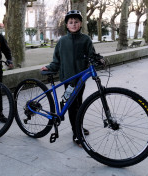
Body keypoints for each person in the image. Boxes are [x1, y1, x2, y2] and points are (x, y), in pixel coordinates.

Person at [41, 10, 96, 145]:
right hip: (68, 80)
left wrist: (97, 60)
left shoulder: (85, 39)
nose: (73, 24)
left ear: (81, 23)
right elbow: (56, 60)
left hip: (81, 78)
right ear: (66, 25)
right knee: (72, 105)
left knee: (80, 104)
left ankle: (79, 126)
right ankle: (76, 133)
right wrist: (50, 67)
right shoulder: (62, 41)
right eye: (70, 22)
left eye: (76, 22)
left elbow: (92, 55)